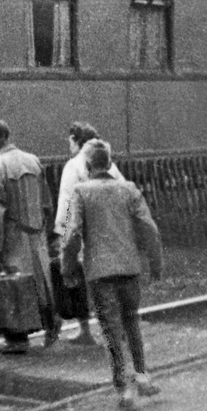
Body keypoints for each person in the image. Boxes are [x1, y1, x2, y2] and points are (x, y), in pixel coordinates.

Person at [62, 139, 164, 411]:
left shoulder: (80, 192)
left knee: (112, 331)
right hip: (129, 269)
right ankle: (142, 377)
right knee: (132, 325)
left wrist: (67, 266)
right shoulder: (128, 189)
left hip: (100, 273)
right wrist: (155, 263)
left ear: (87, 165)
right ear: (109, 163)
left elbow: (71, 235)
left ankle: (126, 390)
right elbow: (149, 228)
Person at [0, 119, 61, 355]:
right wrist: (47, 232)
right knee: (40, 282)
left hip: (12, 236)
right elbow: (47, 202)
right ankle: (50, 321)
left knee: (12, 284)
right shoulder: (33, 161)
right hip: (35, 234)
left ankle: (17, 339)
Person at [51, 121, 127, 346]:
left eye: (70, 141)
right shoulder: (109, 165)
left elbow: (67, 202)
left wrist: (61, 233)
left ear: (76, 141)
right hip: (109, 231)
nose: (69, 146)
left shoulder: (72, 166)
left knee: (79, 281)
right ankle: (117, 328)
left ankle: (85, 330)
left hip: (83, 232)